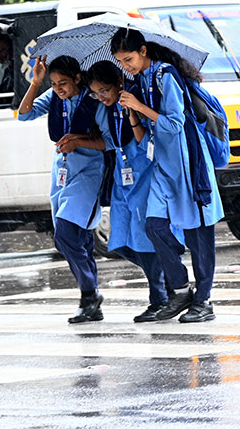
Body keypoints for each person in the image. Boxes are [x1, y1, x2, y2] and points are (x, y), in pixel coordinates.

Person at [111, 28, 224, 323]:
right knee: (155, 226)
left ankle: (204, 300)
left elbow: (174, 124)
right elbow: (141, 138)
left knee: (199, 235)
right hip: (162, 165)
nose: (126, 65)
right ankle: (180, 288)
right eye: (121, 61)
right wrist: (133, 115)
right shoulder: (139, 81)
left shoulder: (167, 75)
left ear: (144, 50)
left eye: (129, 58)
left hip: (188, 163)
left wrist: (139, 107)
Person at [17, 55, 109, 324]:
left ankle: (90, 292)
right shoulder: (54, 96)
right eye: (54, 83)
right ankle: (90, 300)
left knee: (66, 235)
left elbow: (110, 140)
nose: (58, 88)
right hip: (61, 173)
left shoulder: (94, 101)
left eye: (63, 83)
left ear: (78, 78)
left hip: (88, 173)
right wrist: (36, 83)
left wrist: (78, 141)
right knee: (77, 237)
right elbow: (24, 115)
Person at [86, 61, 172, 322]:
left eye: (105, 90)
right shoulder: (104, 111)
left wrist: (133, 113)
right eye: (95, 93)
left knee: (145, 239)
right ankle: (168, 279)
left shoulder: (136, 101)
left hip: (143, 175)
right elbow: (110, 142)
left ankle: (160, 298)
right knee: (121, 241)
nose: (101, 97)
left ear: (119, 84)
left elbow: (146, 141)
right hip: (121, 179)